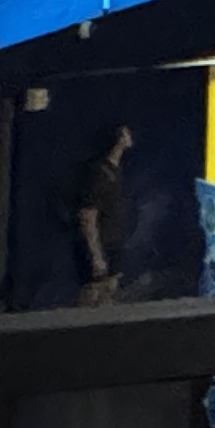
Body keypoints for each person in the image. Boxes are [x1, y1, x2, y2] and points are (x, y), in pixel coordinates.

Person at [71, 124, 133, 304]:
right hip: (100, 245)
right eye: (125, 134)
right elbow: (88, 214)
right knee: (93, 294)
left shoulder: (116, 170)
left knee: (110, 292)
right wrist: (96, 255)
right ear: (119, 140)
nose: (130, 137)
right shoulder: (98, 173)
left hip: (115, 243)